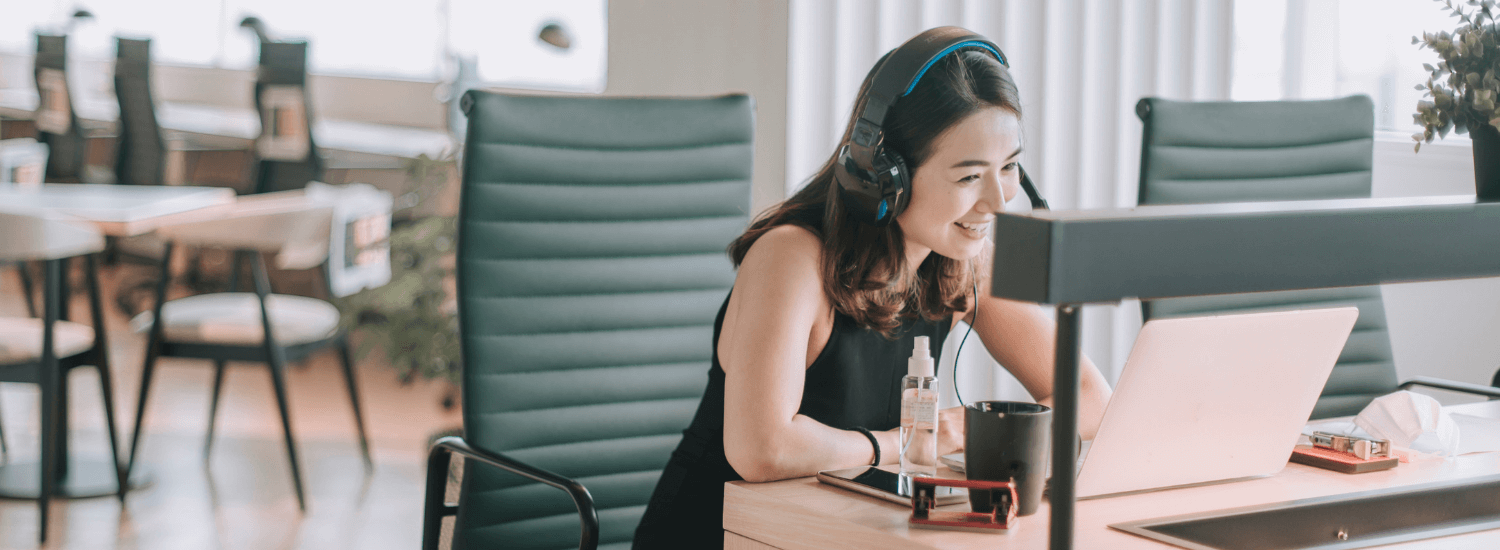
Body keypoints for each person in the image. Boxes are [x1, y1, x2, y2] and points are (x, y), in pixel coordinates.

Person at [633, 27, 1112, 549]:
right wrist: (906, 443)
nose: (998, 201)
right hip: (725, 535)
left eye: (1010, 167)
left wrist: (992, 439)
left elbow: (1091, 399)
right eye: (969, 177)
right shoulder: (793, 257)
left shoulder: (964, 264)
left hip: (842, 535)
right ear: (886, 176)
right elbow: (762, 449)